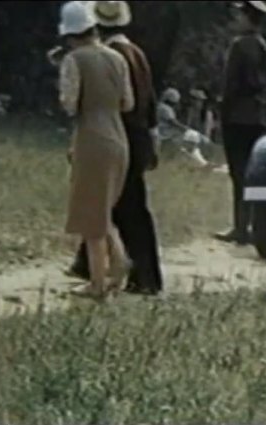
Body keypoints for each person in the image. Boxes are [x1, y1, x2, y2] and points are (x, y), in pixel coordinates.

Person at [64, 0, 164, 296]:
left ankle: (142, 276)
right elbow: (150, 102)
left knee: (123, 209)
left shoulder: (111, 55)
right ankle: (91, 264)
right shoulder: (134, 52)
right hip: (134, 137)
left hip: (118, 135)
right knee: (111, 206)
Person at [55, 1, 134, 299]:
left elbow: (69, 103)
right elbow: (128, 103)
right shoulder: (117, 58)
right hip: (118, 138)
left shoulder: (74, 60)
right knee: (103, 211)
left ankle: (98, 283)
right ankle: (119, 263)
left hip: (92, 138)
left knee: (91, 216)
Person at [214, 0, 266, 245]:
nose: (235, 19)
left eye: (240, 15)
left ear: (248, 18)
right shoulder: (263, 47)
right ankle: (250, 225)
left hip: (237, 117)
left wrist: (223, 111)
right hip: (257, 116)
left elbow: (230, 85)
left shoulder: (239, 46)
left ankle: (240, 227)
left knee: (238, 173)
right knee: (252, 174)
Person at [156, 87, 213, 168]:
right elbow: (174, 123)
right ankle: (200, 163)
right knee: (193, 138)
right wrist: (187, 129)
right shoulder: (165, 109)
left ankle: (201, 161)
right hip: (166, 135)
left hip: (169, 134)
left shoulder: (206, 113)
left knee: (193, 140)